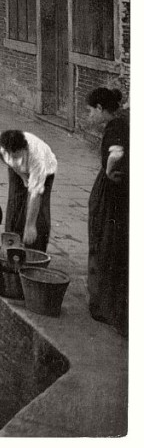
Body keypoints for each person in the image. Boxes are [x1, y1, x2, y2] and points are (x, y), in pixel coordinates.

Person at [85, 88, 129, 336]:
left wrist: (110, 172)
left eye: (91, 110)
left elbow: (117, 153)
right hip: (117, 191)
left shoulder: (114, 127)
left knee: (104, 240)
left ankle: (102, 302)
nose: (90, 115)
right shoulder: (123, 121)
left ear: (101, 109)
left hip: (109, 191)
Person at [0, 129, 56, 252]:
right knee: (14, 204)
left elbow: (35, 193)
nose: (13, 157)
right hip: (17, 171)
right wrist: (19, 173)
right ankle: (11, 246)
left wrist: (30, 226)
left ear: (24, 148)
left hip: (44, 172)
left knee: (38, 212)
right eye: (10, 154)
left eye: (17, 154)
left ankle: (35, 250)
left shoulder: (37, 157)